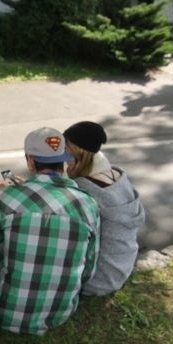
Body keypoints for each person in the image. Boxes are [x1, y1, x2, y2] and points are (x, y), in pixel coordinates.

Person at [0, 127, 100, 335]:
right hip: (60, 314)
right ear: (64, 161)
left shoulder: (6, 198)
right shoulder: (88, 204)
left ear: (30, 161)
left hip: (1, 309)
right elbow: (89, 269)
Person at [63, 121, 145, 297]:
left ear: (79, 153)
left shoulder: (84, 188)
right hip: (123, 264)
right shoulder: (117, 174)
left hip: (98, 279)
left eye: (66, 150)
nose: (62, 156)